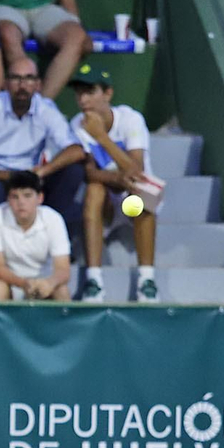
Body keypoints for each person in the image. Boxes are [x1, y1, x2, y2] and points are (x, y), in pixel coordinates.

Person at [69, 63, 157, 303]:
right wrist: (116, 178)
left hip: (131, 203)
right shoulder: (77, 124)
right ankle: (94, 281)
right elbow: (90, 173)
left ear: (107, 94)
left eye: (90, 92)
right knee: (94, 190)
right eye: (79, 93)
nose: (83, 99)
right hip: (106, 203)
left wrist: (101, 137)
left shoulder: (131, 119)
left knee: (140, 194)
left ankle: (147, 280)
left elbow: (136, 171)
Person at [0, 55, 83, 228]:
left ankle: (52, 230)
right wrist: (14, 177)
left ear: (38, 85)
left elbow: (76, 150)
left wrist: (43, 171)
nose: (22, 86)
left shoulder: (45, 108)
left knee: (74, 171)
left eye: (29, 79)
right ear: (6, 84)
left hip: (34, 175)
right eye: (16, 78)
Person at [0, 169, 71, 301]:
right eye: (15, 197)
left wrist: (49, 283)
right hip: (7, 282)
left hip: (42, 282)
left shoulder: (53, 218)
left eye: (27, 196)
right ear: (8, 199)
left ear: (40, 198)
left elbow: (63, 269)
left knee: (61, 289)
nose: (21, 202)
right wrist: (24, 283)